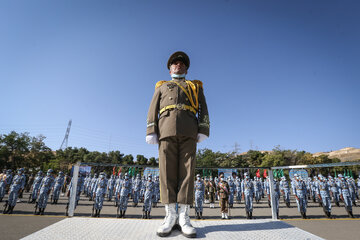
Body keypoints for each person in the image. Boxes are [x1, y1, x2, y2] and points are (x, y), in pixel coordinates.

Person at [146, 51, 210, 238]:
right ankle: (169, 216)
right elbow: (153, 109)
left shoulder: (195, 87)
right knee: (166, 173)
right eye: (174, 63)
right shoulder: (161, 87)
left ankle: (184, 216)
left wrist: (203, 129)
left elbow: (203, 108)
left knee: (187, 173)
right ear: (169, 69)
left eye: (182, 64)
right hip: (165, 130)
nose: (178, 65)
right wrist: (151, 130)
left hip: (189, 131)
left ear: (186, 68)